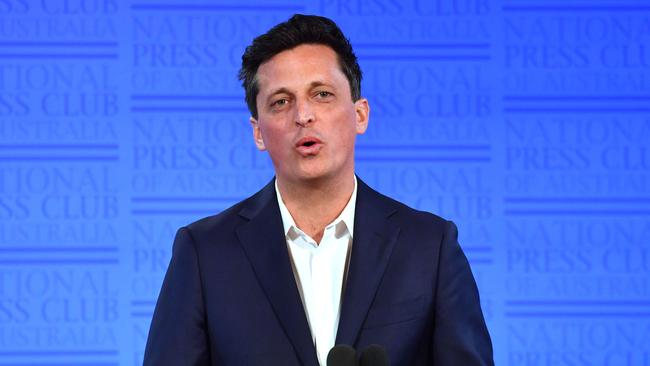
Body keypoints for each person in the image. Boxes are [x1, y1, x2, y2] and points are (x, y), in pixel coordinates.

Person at [143, 14, 493, 366]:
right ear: (258, 133)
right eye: (281, 102)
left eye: (322, 94)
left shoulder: (429, 246)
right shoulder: (205, 253)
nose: (303, 115)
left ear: (360, 114)